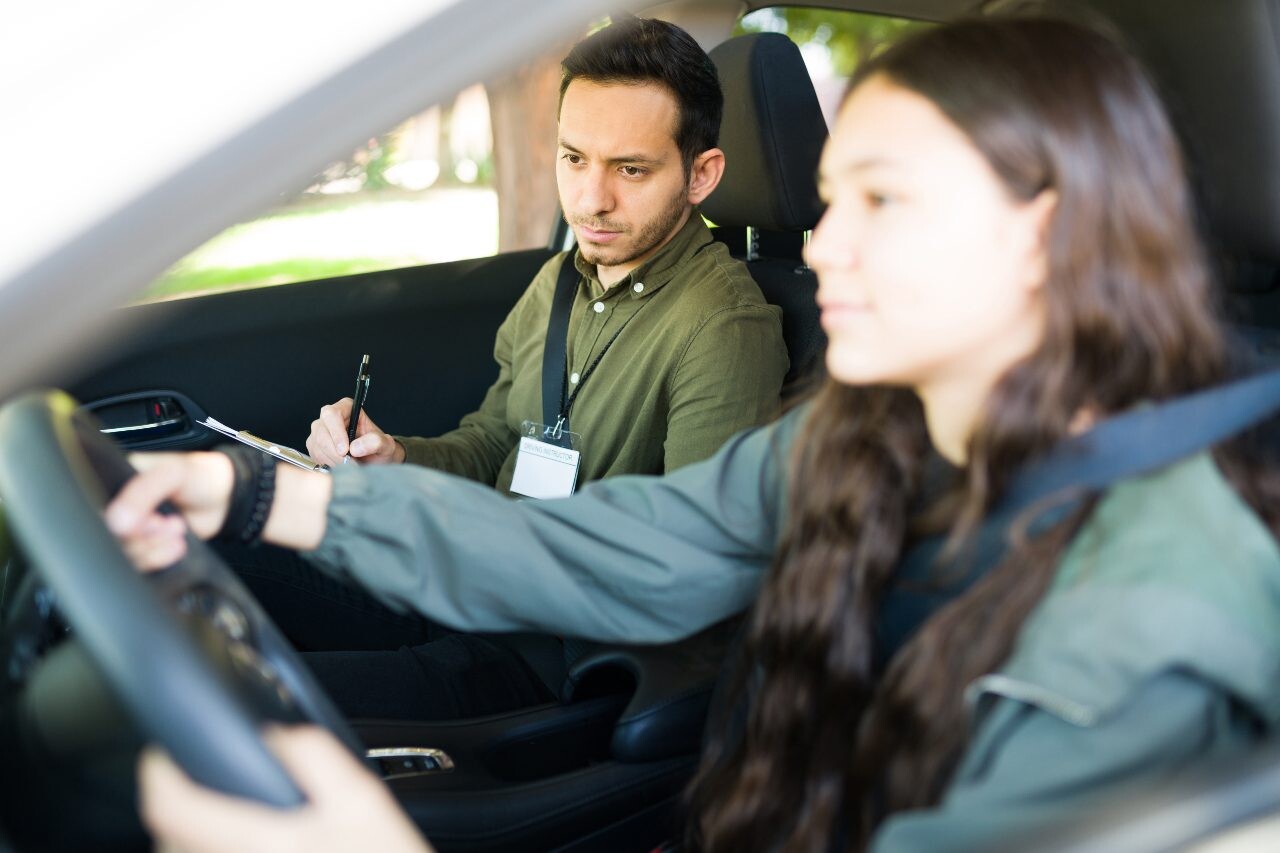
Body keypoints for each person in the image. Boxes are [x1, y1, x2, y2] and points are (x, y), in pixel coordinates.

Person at [113, 16, 1280, 852]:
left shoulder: (1146, 626)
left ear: (1041, 232)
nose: (824, 246)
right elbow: (631, 539)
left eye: (883, 200)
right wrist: (262, 494)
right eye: (834, 197)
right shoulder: (866, 432)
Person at [224, 15, 788, 717]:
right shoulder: (558, 282)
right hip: (462, 583)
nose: (591, 199)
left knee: (243, 699)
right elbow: (496, 441)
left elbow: (689, 561)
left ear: (701, 174)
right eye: (574, 158)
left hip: (543, 652)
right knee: (218, 555)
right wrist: (396, 457)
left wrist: (480, 550)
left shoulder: (724, 326)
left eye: (630, 169)